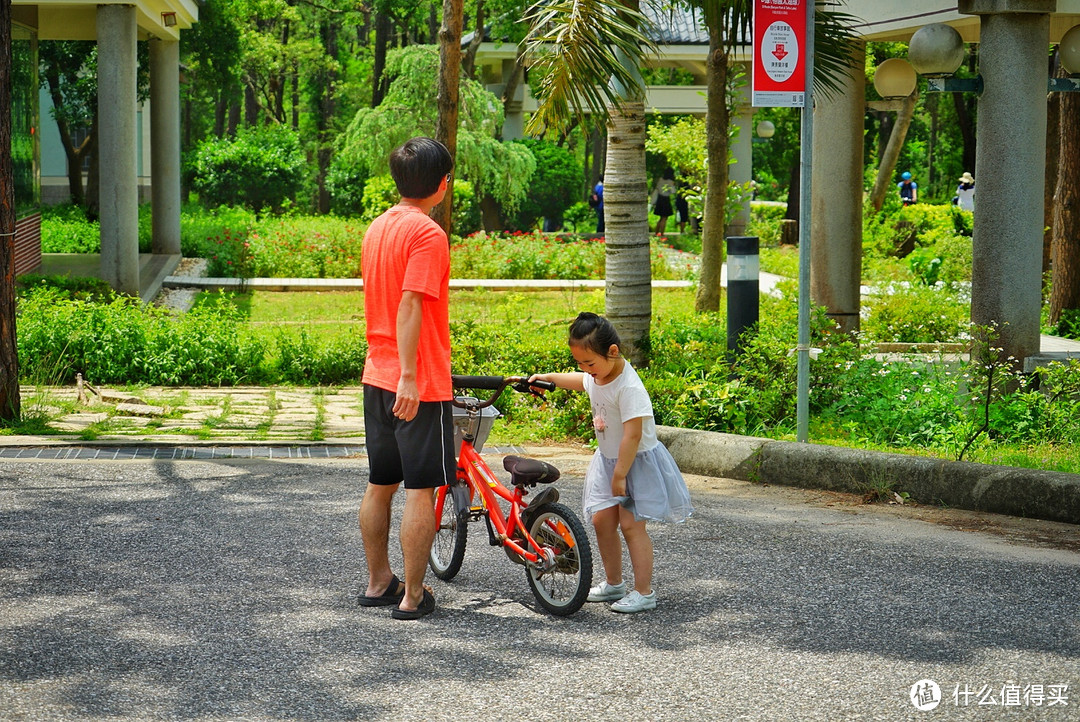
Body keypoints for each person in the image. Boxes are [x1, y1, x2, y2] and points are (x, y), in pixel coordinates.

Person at [530, 313, 693, 614]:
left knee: (632, 527)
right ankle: (614, 583)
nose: (584, 370)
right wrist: (549, 378)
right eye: (579, 363)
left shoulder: (628, 387)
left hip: (634, 465)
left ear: (613, 352)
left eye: (589, 363)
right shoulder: (596, 375)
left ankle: (644, 592)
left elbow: (632, 437)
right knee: (602, 522)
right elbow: (580, 381)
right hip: (608, 461)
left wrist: (620, 474)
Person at [357, 137, 455, 621]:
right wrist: (412, 377)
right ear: (440, 185)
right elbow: (411, 302)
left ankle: (379, 582)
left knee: (381, 483)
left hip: (376, 373)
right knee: (419, 489)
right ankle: (413, 596)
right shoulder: (427, 234)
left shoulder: (377, 228)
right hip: (416, 381)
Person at [651, 168, 676, 236]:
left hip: (660, 199)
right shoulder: (670, 181)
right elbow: (673, 191)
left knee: (661, 218)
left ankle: (656, 232)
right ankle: (662, 233)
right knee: (664, 218)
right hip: (665, 200)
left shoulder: (660, 180)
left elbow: (658, 188)